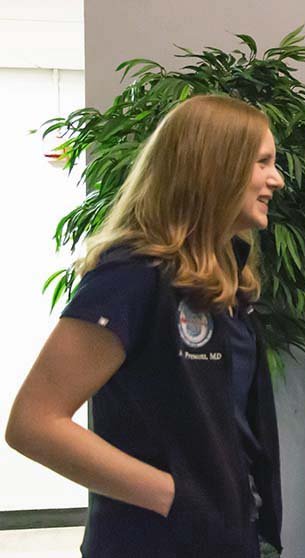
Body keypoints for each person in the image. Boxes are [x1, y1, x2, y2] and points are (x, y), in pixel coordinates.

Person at [5, 95, 285, 558]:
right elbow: (34, 424)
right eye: (263, 163)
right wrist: (172, 497)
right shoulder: (131, 276)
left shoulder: (222, 281)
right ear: (216, 167)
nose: (275, 179)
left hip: (228, 537)